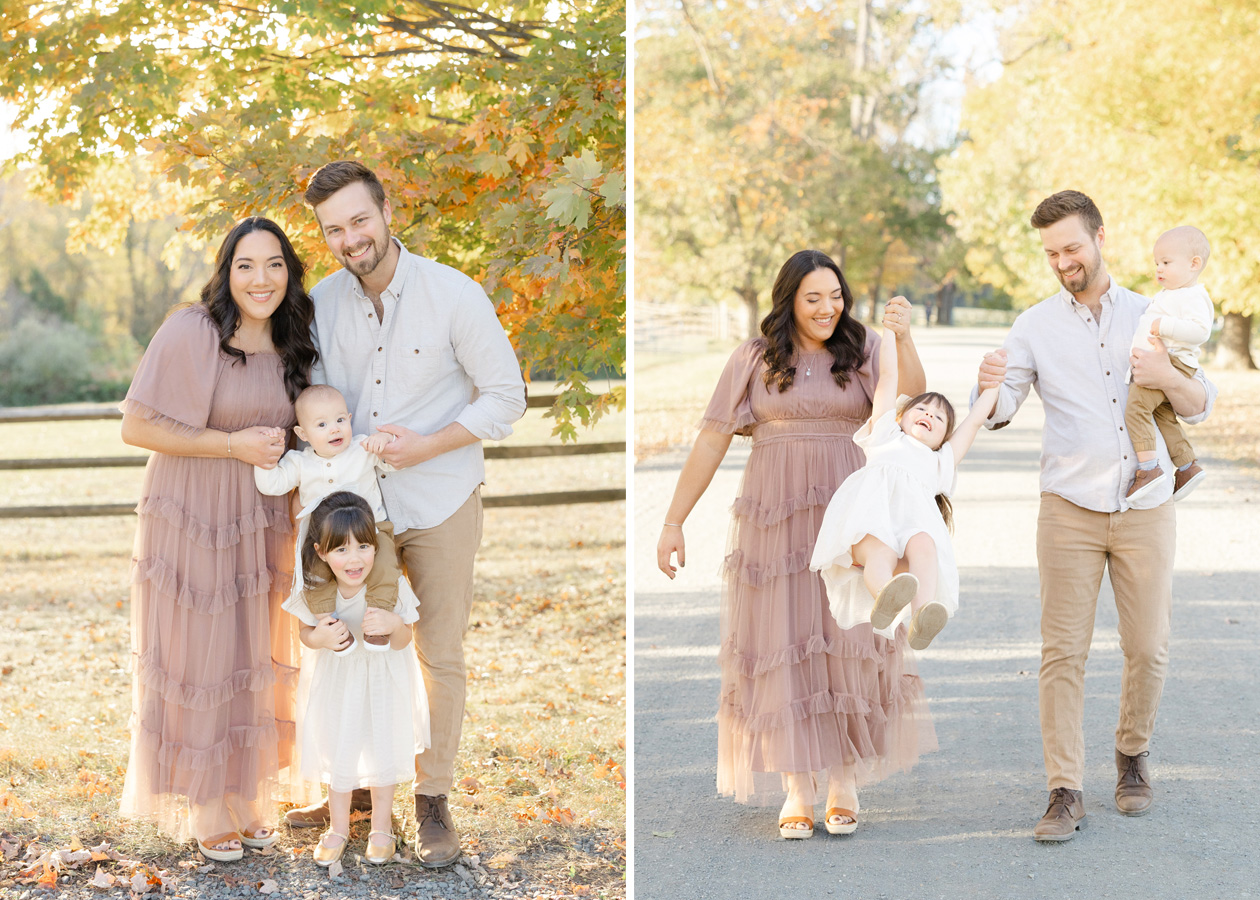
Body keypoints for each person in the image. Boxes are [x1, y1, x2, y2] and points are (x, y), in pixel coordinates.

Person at [283, 160, 527, 868]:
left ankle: (431, 800)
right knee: (349, 643)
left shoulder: (453, 293)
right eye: (334, 229)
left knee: (435, 652)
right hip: (354, 519)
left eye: (360, 220)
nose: (350, 238)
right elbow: (307, 400)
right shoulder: (321, 305)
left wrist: (427, 445)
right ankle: (358, 789)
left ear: (387, 211)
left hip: (439, 497)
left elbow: (506, 397)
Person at [656, 249, 936, 840]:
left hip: (851, 507)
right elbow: (711, 440)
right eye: (813, 298)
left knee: (848, 631)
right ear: (789, 300)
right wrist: (673, 520)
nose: (827, 308)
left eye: (835, 297)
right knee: (782, 635)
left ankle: (844, 779)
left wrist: (903, 337)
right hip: (776, 512)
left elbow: (912, 395)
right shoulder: (754, 358)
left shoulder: (863, 348)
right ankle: (796, 786)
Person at [974, 190, 1216, 842]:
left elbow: (1198, 404)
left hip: (1145, 505)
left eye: (1072, 247)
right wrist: (988, 385)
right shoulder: (1033, 325)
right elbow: (1003, 407)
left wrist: (1164, 370)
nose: (1063, 262)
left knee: (1149, 647)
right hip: (1068, 510)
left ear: (1100, 237)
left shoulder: (1154, 310)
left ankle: (1132, 754)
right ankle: (1065, 789)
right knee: (1062, 653)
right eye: (1052, 253)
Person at [118, 217, 319, 861]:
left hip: (262, 516)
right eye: (246, 265)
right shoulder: (194, 330)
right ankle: (206, 801)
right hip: (194, 510)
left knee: (252, 650)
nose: (261, 279)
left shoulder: (294, 340)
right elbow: (137, 428)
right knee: (200, 654)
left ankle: (246, 794)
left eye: (274, 264)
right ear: (226, 271)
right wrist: (233, 444)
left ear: (290, 273)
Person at [810, 328, 1000, 650]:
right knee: (881, 550)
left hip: (908, 540)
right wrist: (889, 332)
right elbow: (888, 376)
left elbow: (974, 422)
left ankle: (922, 614)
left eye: (939, 417)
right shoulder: (885, 435)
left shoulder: (939, 462)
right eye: (922, 409)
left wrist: (995, 385)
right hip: (870, 528)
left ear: (943, 440)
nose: (929, 415)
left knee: (925, 542)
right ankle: (885, 595)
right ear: (900, 416)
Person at [284, 492, 430, 868]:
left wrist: (393, 623)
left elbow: (404, 639)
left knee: (383, 746)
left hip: (382, 681)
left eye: (364, 546)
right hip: (338, 682)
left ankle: (381, 827)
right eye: (342, 549)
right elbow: (305, 634)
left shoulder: (390, 586)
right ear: (321, 552)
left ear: (376, 547)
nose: (355, 559)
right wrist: (320, 637)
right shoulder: (318, 591)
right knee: (339, 747)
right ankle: (337, 828)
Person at [254, 384, 401, 649]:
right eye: (322, 425)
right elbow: (272, 485)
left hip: (371, 531)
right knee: (314, 574)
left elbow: (392, 462)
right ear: (303, 434)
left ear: (350, 420)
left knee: (385, 566)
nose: (334, 429)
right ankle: (331, 626)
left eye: (340, 420)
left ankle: (377, 622)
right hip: (323, 539)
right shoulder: (299, 462)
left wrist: (385, 441)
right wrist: (265, 457)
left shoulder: (362, 449)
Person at [1123, 225, 1213, 502]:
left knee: (1136, 409)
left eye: (1166, 262)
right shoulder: (1171, 294)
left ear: (1194, 264)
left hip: (1172, 362)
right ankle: (1187, 466)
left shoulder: (1192, 295)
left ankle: (1148, 469)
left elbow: (1201, 331)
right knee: (1162, 414)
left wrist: (1165, 325)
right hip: (1166, 362)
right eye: (1156, 264)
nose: (1159, 269)